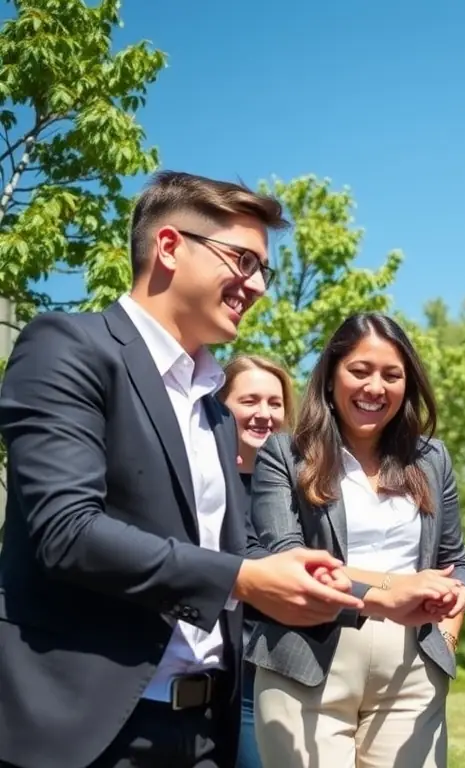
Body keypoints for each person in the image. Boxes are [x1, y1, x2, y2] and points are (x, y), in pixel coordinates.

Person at [0, 171, 361, 768]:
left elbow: (232, 547)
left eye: (262, 270)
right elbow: (66, 532)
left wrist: (368, 596)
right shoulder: (68, 347)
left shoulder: (213, 405)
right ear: (169, 247)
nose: (257, 286)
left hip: (204, 733)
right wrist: (243, 578)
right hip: (88, 733)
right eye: (243, 260)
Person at [248, 312, 465, 768]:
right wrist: (390, 590)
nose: (376, 387)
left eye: (392, 375)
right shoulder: (284, 455)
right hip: (307, 660)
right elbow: (288, 559)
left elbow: (459, 562)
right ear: (331, 377)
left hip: (413, 669)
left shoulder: (431, 459)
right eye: (360, 371)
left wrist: (450, 627)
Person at [217, 355, 299, 768]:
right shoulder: (205, 486)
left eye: (275, 403)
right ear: (219, 404)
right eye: (249, 401)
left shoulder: (306, 489)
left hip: (287, 670)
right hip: (226, 674)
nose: (264, 414)